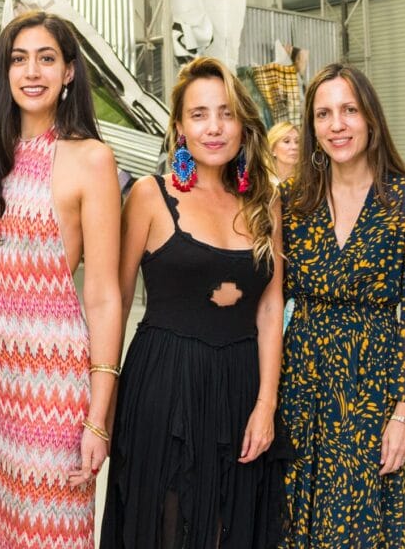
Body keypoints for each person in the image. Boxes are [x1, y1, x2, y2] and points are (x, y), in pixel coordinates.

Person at [101, 56, 289, 549]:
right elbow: (114, 301)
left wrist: (266, 403)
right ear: (179, 127)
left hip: (241, 382)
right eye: (199, 114)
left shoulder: (265, 201)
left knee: (233, 522)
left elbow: (270, 308)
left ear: (244, 124)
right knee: (168, 519)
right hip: (164, 383)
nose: (214, 127)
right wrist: (103, 399)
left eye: (226, 113)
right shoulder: (148, 195)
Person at [0, 11, 122, 548]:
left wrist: (99, 416)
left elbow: (105, 296)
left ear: (68, 73)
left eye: (46, 58)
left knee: (51, 532)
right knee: (0, 529)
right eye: (18, 59)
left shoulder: (91, 159)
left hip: (56, 387)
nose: (31, 71)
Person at [278, 63, 405, 548]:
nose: (337, 125)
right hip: (300, 379)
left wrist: (404, 413)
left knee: (357, 523)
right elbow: (268, 300)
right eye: (323, 114)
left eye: (349, 110)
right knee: (290, 513)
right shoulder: (292, 200)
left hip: (370, 386)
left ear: (371, 118)